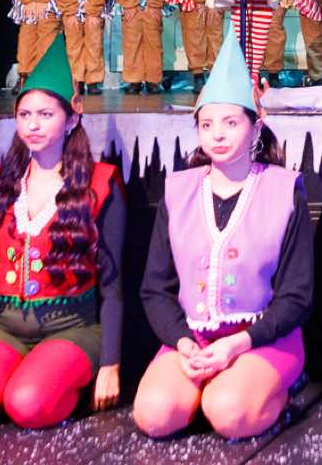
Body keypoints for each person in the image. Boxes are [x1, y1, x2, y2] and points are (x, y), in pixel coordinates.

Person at [132, 29, 311, 440]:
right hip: (195, 339)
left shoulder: (283, 191)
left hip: (264, 339)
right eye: (207, 124)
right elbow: (155, 289)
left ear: (255, 126)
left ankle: (267, 391)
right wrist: (182, 343)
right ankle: (206, 388)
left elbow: (297, 297)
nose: (217, 134)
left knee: (228, 413)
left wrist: (238, 344)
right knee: (154, 415)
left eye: (231, 122)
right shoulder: (179, 191)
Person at [0, 35, 124, 429]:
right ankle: (16, 374)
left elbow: (112, 286)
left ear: (72, 118)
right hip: (3, 325)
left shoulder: (99, 185)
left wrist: (110, 364)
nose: (33, 124)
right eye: (25, 114)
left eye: (45, 114)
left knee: (28, 405)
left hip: (70, 327)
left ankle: (47, 381)